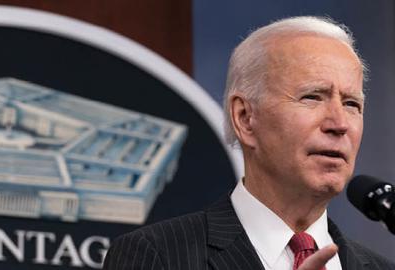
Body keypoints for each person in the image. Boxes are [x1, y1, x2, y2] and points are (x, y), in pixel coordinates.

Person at [102, 16, 395, 270]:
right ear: (244, 118)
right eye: (312, 97)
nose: (339, 123)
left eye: (352, 103)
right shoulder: (158, 255)